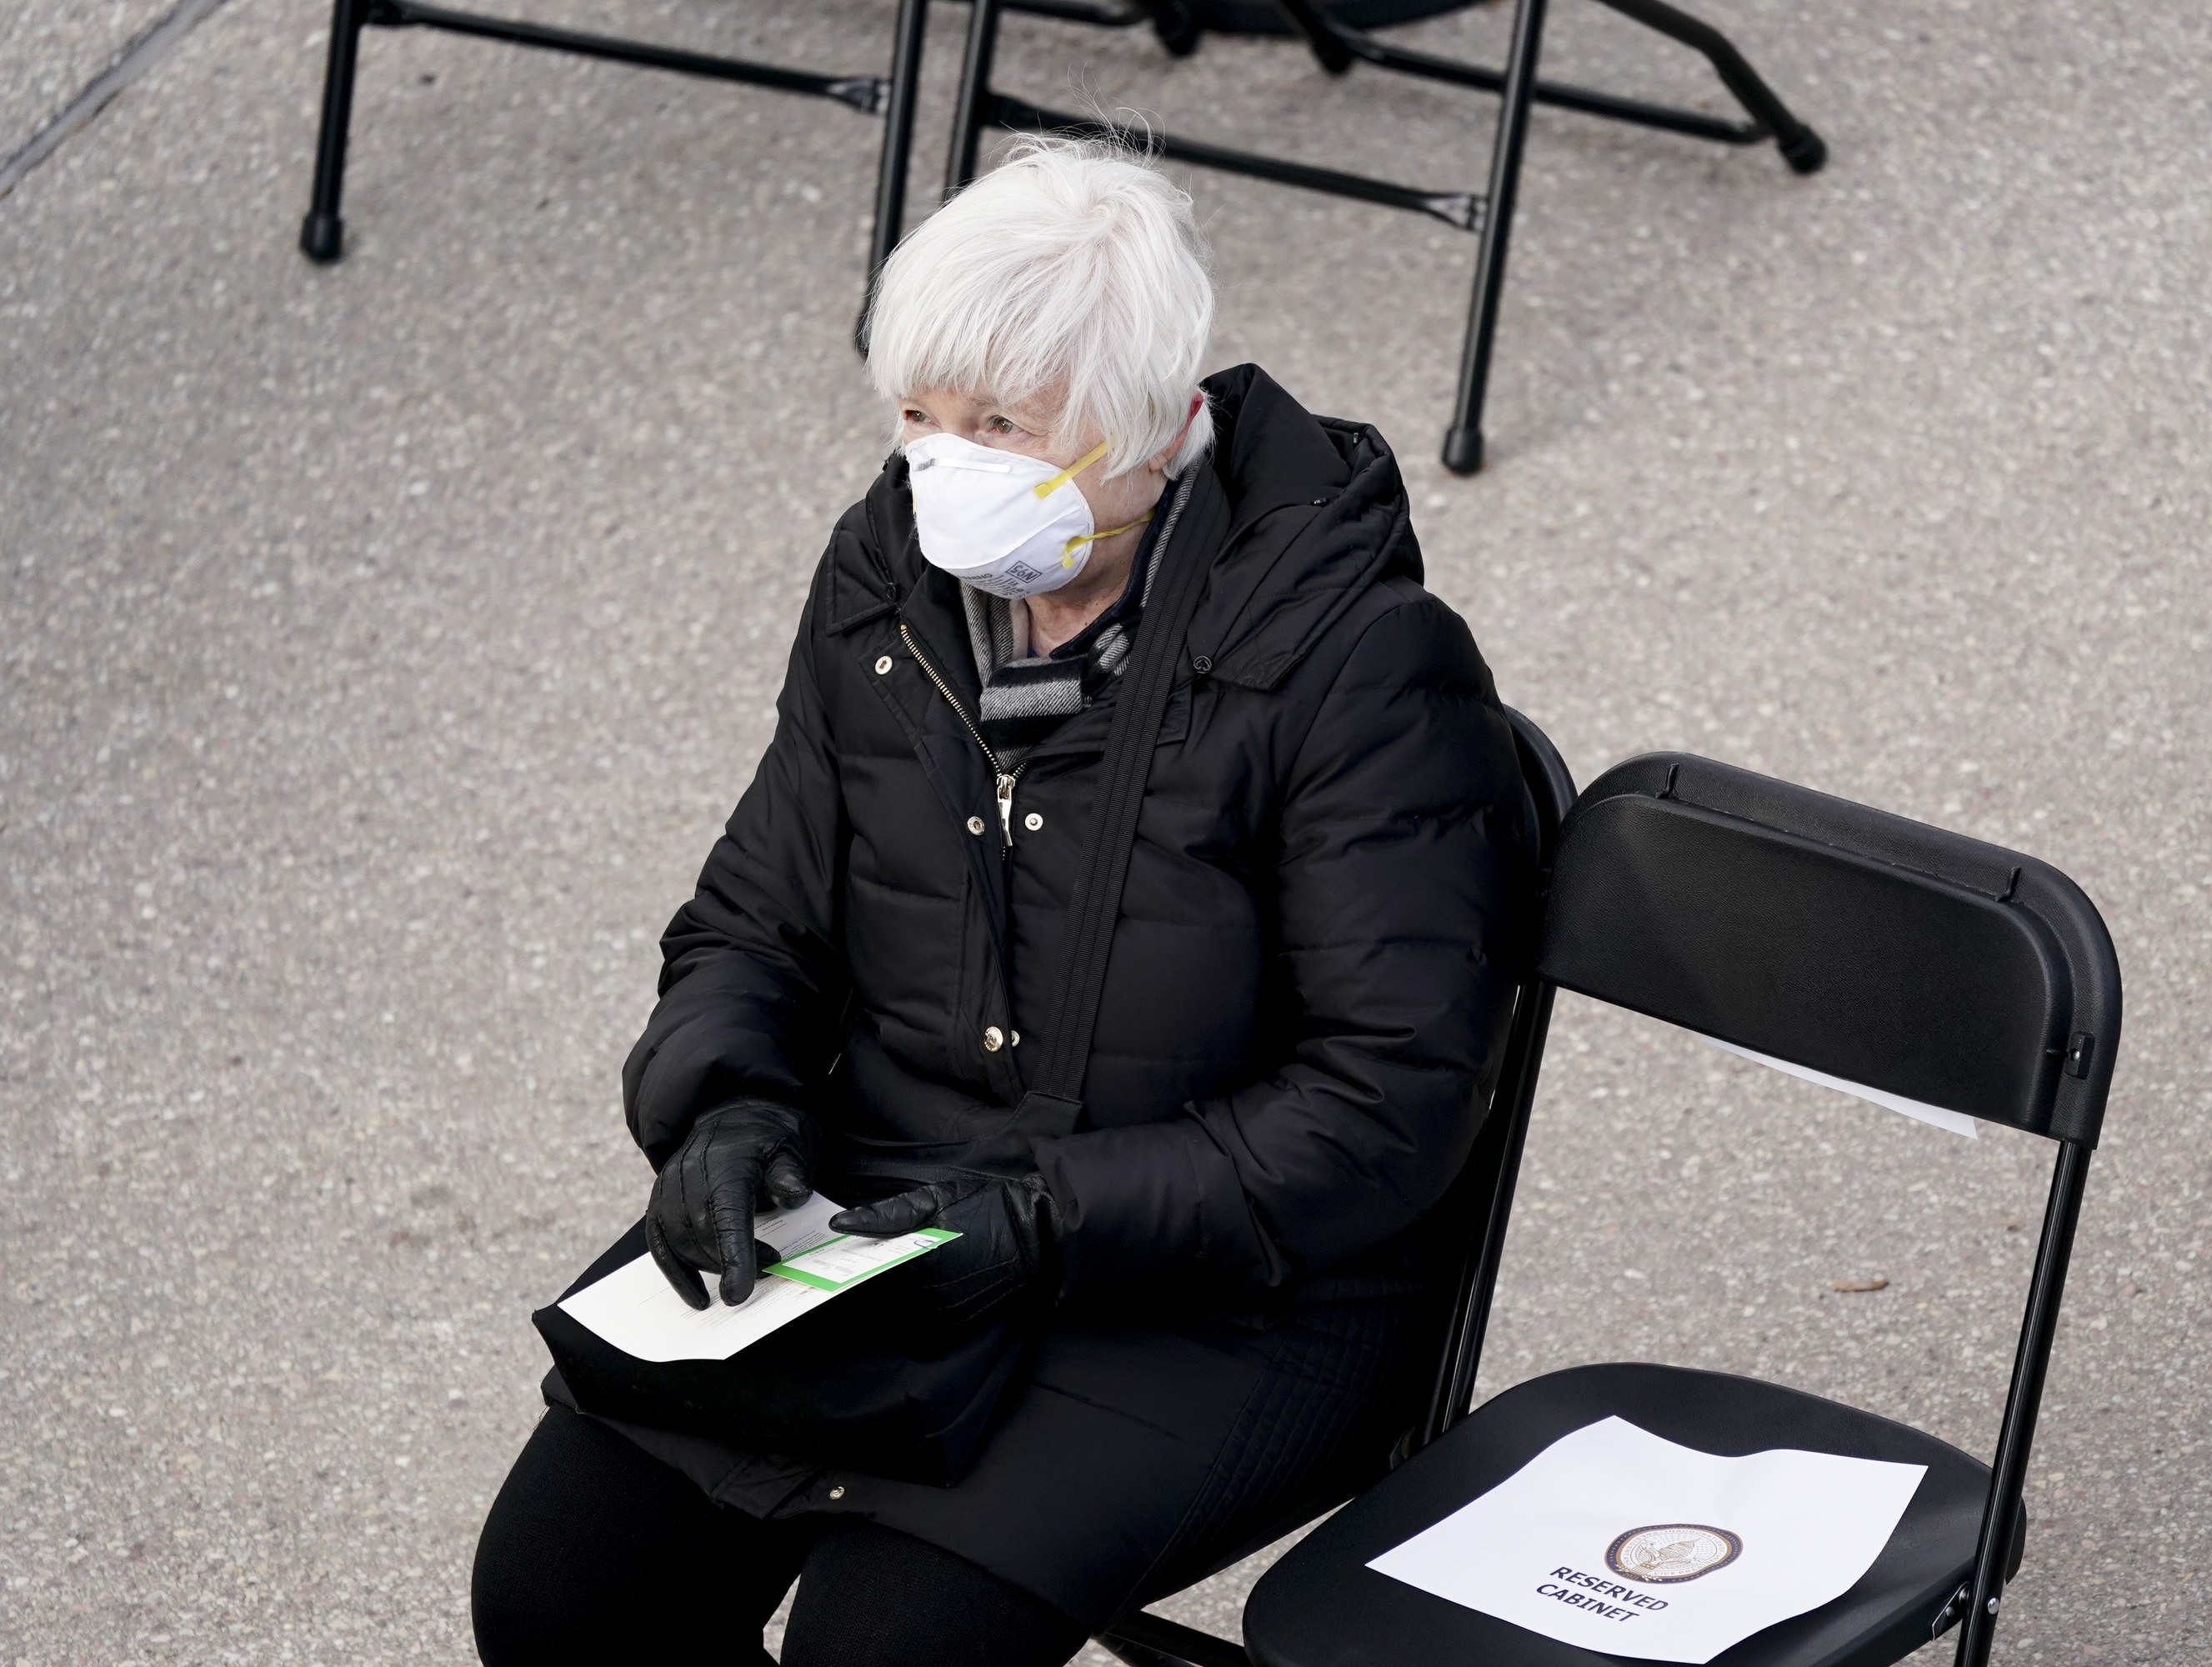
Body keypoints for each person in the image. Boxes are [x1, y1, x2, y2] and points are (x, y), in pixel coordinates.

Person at [470, 138, 1534, 1667]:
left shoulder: (1359, 666)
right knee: (561, 1600)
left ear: (1160, 424)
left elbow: (1383, 1109)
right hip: (889, 1208)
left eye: (1004, 425)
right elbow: (756, 918)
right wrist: (726, 1108)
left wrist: (1041, 1223)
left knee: (883, 1655)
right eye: (919, 414)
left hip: (1226, 1286)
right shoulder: (888, 577)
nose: (944, 462)